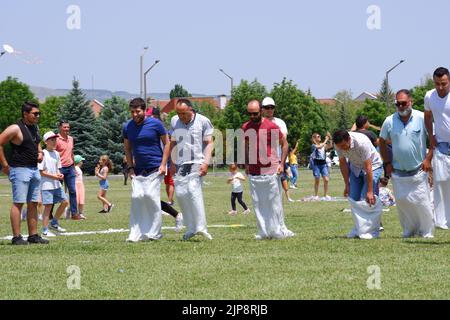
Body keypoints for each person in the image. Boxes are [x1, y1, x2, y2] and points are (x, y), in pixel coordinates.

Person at [380, 89, 434, 238]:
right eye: (398, 104)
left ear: (411, 102)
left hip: (419, 170)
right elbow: (382, 141)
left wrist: (428, 158)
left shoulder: (422, 117)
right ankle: (408, 230)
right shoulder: (389, 120)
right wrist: (387, 162)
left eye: (404, 103)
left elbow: (433, 139)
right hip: (398, 171)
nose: (401, 106)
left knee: (422, 203)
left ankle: (426, 231)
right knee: (403, 204)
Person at [242, 99, 295, 240]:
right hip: (254, 170)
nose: (252, 117)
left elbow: (285, 144)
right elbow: (246, 146)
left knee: (274, 202)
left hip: (271, 169)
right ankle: (263, 232)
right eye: (250, 114)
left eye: (255, 113)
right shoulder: (246, 127)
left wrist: (281, 164)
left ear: (261, 111)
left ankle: (277, 230)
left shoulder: (271, 126)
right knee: (258, 203)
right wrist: (246, 164)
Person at [123, 98, 173, 242]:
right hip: (138, 168)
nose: (134, 114)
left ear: (144, 110)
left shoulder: (156, 124)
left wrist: (164, 164)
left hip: (155, 166)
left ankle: (154, 233)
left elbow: (167, 144)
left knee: (151, 198)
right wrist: (130, 167)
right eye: (132, 112)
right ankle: (137, 232)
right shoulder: (127, 127)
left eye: (137, 111)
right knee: (137, 198)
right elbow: (127, 148)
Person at [0, 101, 49, 244]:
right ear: (25, 114)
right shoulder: (15, 128)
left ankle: (33, 236)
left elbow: (37, 142)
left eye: (39, 113)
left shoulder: (35, 128)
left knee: (33, 203)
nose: (37, 116)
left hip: (34, 169)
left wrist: (40, 153)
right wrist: (4, 165)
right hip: (20, 170)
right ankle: (16, 237)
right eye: (35, 113)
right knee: (19, 203)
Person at [169, 98, 214, 241]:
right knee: (182, 194)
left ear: (191, 110)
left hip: (197, 161)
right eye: (179, 113)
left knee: (193, 191)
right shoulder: (174, 121)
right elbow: (173, 143)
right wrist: (172, 162)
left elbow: (209, 143)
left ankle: (201, 228)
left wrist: (206, 162)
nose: (181, 116)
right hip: (182, 163)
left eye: (184, 113)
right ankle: (191, 228)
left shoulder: (203, 121)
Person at [333, 129, 383, 239]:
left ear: (349, 140)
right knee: (353, 199)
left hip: (373, 167)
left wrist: (370, 191)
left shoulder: (361, 143)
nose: (341, 149)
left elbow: (368, 167)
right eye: (339, 146)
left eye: (343, 146)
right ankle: (359, 228)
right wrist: (347, 184)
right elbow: (343, 164)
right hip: (356, 168)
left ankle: (372, 230)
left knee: (366, 198)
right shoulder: (338, 144)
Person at [424, 67, 450, 230]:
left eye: (444, 84)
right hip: (441, 145)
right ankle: (441, 220)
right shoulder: (429, 96)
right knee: (441, 183)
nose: (440, 87)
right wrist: (430, 135)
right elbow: (428, 116)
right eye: (437, 84)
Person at [261, 97, 294, 202]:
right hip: (261, 160)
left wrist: (282, 163)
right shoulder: (258, 123)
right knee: (264, 190)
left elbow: (283, 141)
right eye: (267, 107)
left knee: (276, 190)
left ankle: (277, 215)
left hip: (276, 160)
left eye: (272, 107)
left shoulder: (280, 123)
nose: (269, 109)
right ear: (262, 109)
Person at [39, 131, 69, 237]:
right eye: (52, 140)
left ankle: (54, 223)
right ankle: (45, 230)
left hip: (56, 184)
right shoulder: (43, 153)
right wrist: (54, 177)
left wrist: (59, 174)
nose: (54, 141)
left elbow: (57, 169)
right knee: (48, 207)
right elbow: (41, 172)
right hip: (46, 185)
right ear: (46, 142)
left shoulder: (56, 153)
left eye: (55, 139)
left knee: (65, 202)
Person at [55, 120, 81, 220]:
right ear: (60, 128)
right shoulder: (56, 139)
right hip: (59, 168)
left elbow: (71, 153)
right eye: (65, 127)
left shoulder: (71, 139)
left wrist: (74, 167)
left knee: (73, 191)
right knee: (56, 191)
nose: (67, 129)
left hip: (70, 168)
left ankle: (74, 214)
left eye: (68, 127)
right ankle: (49, 214)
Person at [150, 107, 175, 205]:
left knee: (169, 180)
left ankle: (169, 200)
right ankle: (170, 200)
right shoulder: (159, 125)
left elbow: (168, 143)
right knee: (167, 181)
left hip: (166, 157)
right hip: (163, 157)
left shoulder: (158, 126)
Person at [310, 132, 332, 200]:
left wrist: (330, 138)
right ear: (314, 138)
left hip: (323, 164)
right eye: (318, 136)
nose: (319, 137)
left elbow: (330, 146)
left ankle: (325, 195)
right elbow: (319, 147)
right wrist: (326, 140)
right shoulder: (313, 145)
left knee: (326, 179)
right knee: (317, 180)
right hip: (316, 164)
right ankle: (316, 195)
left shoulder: (323, 144)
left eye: (319, 136)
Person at [74, 155, 87, 219]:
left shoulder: (78, 168)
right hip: (76, 184)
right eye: (81, 161)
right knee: (76, 200)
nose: (82, 162)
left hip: (80, 185)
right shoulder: (74, 168)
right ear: (79, 161)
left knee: (81, 200)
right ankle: (72, 211)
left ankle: (80, 213)